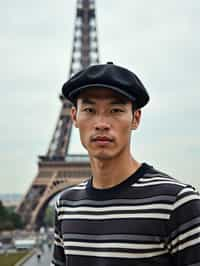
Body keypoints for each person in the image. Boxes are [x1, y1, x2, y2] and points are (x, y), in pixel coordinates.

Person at [52, 62, 200, 266]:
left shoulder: (178, 203)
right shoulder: (66, 205)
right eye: (89, 109)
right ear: (74, 117)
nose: (102, 123)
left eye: (115, 110)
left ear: (135, 118)